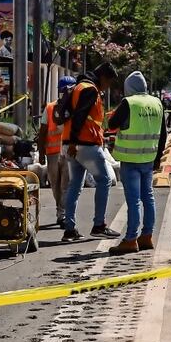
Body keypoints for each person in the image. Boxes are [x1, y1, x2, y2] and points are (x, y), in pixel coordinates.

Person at [108, 71, 165, 255]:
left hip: (130, 159)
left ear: (129, 88)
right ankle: (147, 236)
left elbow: (112, 124)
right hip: (149, 158)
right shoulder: (157, 103)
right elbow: (163, 133)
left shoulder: (129, 103)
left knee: (133, 201)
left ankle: (131, 239)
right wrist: (158, 157)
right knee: (148, 197)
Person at [61, 62, 119, 242]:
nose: (107, 86)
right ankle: (99, 225)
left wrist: (71, 142)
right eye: (108, 82)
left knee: (75, 185)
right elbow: (80, 115)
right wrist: (75, 141)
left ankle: (69, 229)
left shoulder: (78, 86)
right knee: (104, 180)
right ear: (103, 77)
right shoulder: (90, 90)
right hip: (84, 144)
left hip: (71, 144)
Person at [37, 75, 76, 226]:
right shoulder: (50, 108)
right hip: (52, 153)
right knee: (55, 185)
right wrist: (41, 153)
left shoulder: (75, 108)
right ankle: (61, 210)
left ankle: (62, 214)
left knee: (65, 185)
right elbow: (42, 131)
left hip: (67, 152)